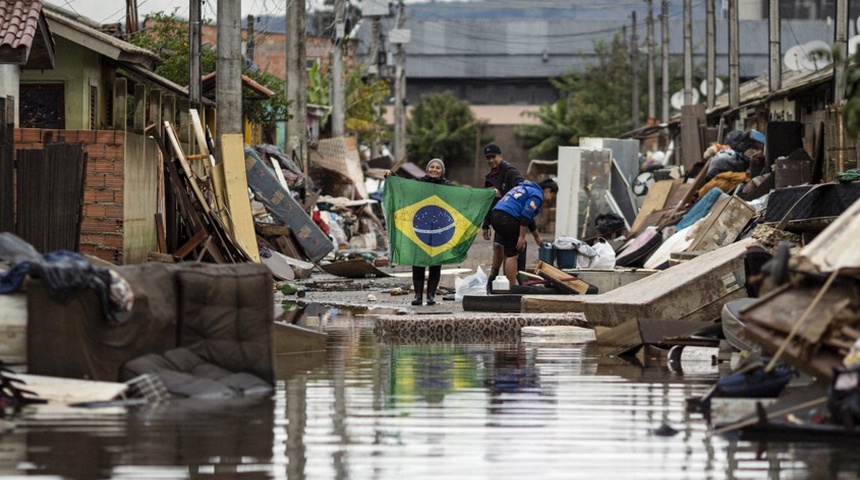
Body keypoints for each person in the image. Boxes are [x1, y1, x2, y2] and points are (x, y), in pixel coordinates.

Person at [383, 158, 453, 306]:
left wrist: (488, 194)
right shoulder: (419, 183)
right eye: (432, 167)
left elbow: (465, 196)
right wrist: (392, 175)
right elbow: (404, 186)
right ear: (427, 169)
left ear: (442, 171)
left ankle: (431, 296)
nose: (434, 169)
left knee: (436, 263)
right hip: (420, 227)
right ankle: (418, 296)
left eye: (438, 168)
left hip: (439, 229)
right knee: (418, 262)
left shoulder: (449, 187)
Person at [479, 143, 541, 292]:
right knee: (499, 249)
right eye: (487, 158)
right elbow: (489, 202)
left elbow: (523, 191)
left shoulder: (510, 172)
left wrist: (531, 233)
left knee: (511, 251)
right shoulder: (489, 178)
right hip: (498, 217)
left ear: (500, 156)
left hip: (512, 217)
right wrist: (486, 224)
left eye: (493, 157)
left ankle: (513, 285)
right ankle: (495, 281)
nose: (491, 160)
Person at [490, 179, 558, 289]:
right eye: (552, 197)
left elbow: (530, 219)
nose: (550, 201)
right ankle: (513, 289)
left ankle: (505, 285)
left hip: (496, 215)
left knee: (508, 251)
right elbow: (526, 214)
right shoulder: (537, 195)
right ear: (548, 191)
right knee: (513, 254)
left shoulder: (525, 188)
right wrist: (521, 236)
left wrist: (537, 237)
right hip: (508, 218)